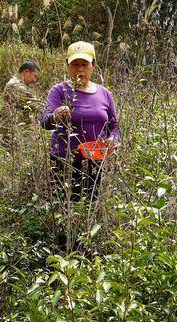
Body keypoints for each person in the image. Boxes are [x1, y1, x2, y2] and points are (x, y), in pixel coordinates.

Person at [39, 41, 119, 204]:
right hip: (64, 161)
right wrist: (56, 116)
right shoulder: (59, 91)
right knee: (65, 206)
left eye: (84, 64)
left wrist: (113, 139)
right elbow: (45, 121)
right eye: (75, 64)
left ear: (93, 66)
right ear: (68, 65)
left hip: (95, 161)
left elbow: (114, 126)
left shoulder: (104, 94)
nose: (79, 69)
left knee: (91, 204)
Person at [0, 60, 41, 152]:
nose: (35, 80)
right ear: (26, 72)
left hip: (15, 131)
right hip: (11, 131)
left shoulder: (19, 84)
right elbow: (36, 105)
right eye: (35, 76)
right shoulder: (16, 86)